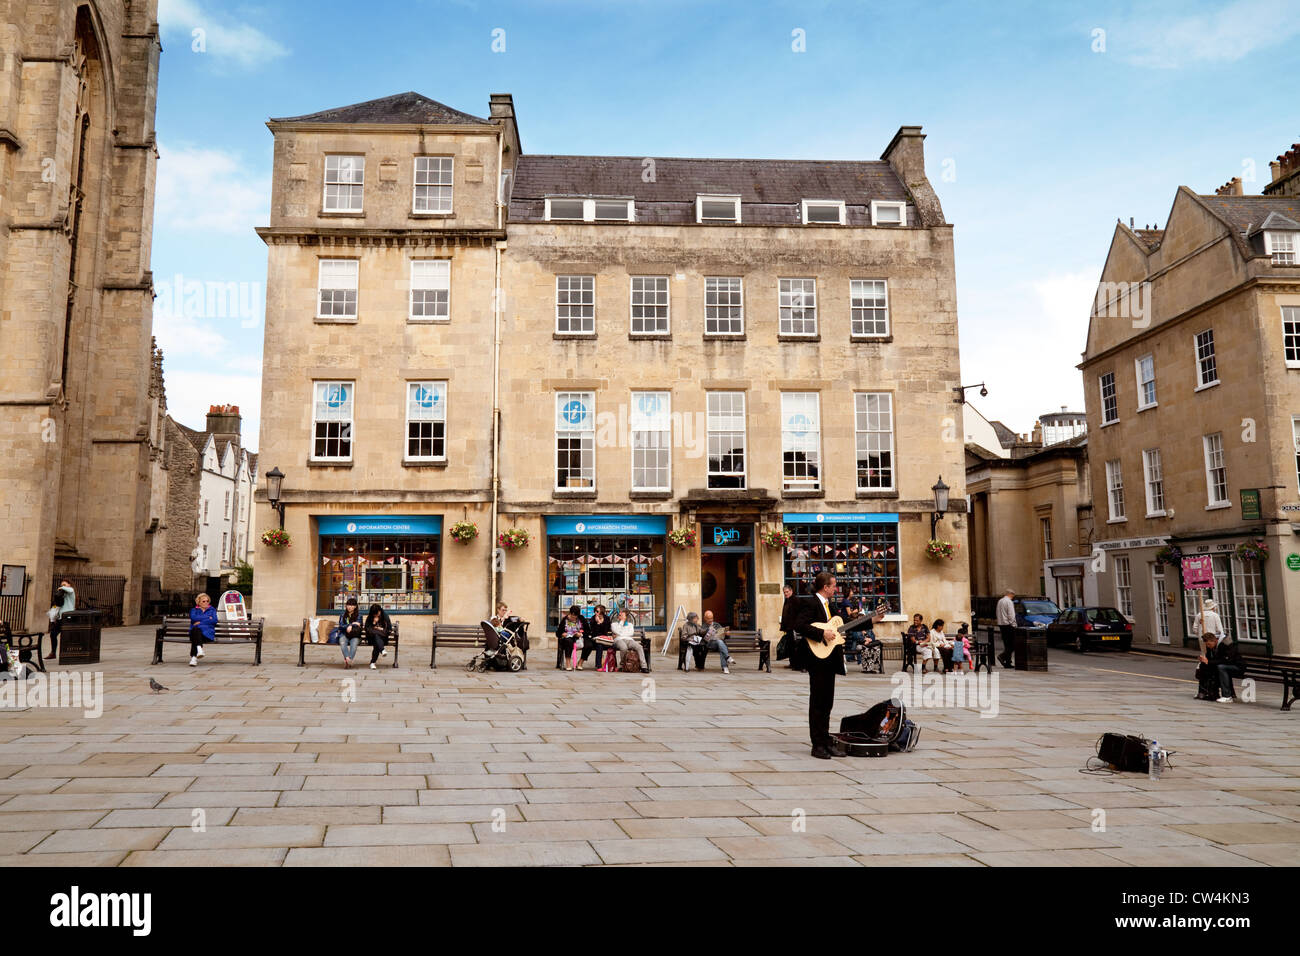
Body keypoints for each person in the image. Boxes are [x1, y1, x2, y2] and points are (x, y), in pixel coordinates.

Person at [792, 571, 845, 759]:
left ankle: (826, 741)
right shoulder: (810, 603)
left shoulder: (830, 606)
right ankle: (817, 745)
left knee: (827, 702)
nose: (836, 588)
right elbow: (799, 625)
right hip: (816, 659)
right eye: (834, 585)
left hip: (830, 659)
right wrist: (821, 634)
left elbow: (844, 625)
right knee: (818, 703)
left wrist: (872, 620)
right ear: (826, 587)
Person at [1196, 632, 1246, 703]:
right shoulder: (1212, 646)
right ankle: (1204, 692)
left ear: (1215, 640)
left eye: (1209, 644)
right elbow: (1211, 659)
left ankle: (1227, 696)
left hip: (1237, 666)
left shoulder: (1227, 644)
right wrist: (1204, 660)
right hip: (1225, 665)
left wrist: (1209, 662)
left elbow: (1227, 659)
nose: (1208, 646)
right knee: (1203, 665)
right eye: (1207, 644)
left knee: (1221, 667)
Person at [47, 579, 75, 659]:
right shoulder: (62, 594)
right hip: (60, 618)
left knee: (66, 636)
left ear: (69, 585)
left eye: (64, 584)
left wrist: (61, 588)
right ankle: (53, 652)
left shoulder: (71, 592)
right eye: (61, 585)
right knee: (53, 634)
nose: (63, 586)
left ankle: (67, 653)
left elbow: (70, 589)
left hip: (68, 617)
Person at [188, 592, 218, 667]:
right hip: (196, 634)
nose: (206, 603)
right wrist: (208, 618)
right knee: (196, 630)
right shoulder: (194, 610)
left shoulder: (212, 610)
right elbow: (193, 618)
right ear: (199, 602)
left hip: (207, 635)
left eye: (207, 601)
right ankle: (199, 649)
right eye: (203, 601)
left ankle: (194, 657)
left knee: (196, 630)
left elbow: (214, 620)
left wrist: (200, 622)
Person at [581, 604, 613, 670]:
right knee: (599, 645)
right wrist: (598, 623)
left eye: (597, 611)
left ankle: (611, 665)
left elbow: (606, 630)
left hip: (604, 639)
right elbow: (594, 632)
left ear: (602, 612)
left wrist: (601, 623)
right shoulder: (593, 619)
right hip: (595, 640)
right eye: (595, 611)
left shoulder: (607, 618)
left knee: (607, 645)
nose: (596, 613)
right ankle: (599, 666)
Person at [778, 585, 803, 671]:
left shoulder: (796, 600)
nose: (785, 594)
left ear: (791, 591)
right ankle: (792, 663)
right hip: (788, 627)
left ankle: (795, 664)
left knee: (794, 646)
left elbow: (798, 614)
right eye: (784, 592)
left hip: (793, 628)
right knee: (790, 646)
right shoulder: (787, 600)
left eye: (787, 592)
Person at [556, 605, 587, 672]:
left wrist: (581, 633)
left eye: (575, 616)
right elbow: (558, 632)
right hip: (568, 638)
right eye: (572, 615)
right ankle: (568, 662)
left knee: (589, 645)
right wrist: (562, 634)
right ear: (570, 613)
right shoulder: (565, 619)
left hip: (579, 638)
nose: (573, 617)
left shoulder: (581, 619)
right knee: (568, 642)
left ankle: (580, 662)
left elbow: (587, 630)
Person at [336, 597, 363, 669]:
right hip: (344, 634)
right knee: (342, 642)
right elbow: (341, 625)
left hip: (355, 635)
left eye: (351, 605)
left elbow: (359, 624)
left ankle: (347, 662)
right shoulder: (343, 615)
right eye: (348, 605)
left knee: (353, 645)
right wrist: (350, 625)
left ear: (355, 606)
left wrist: (350, 625)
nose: (349, 607)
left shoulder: (359, 615)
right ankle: (349, 660)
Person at [363, 603, 392, 669]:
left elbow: (389, 630)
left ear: (380, 611)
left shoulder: (385, 616)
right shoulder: (370, 617)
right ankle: (382, 650)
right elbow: (367, 629)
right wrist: (373, 623)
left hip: (383, 639)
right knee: (376, 637)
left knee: (377, 640)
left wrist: (380, 629)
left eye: (377, 613)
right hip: (371, 638)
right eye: (374, 614)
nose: (376, 615)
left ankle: (373, 662)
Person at [995, 588, 1017, 668]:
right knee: (1013, 644)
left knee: (1007, 644)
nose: (1013, 597)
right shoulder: (1009, 602)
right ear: (1011, 594)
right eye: (1013, 596)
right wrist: (1014, 624)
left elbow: (997, 612)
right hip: (1008, 625)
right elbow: (1011, 615)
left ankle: (1008, 662)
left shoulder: (1000, 601)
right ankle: (1002, 656)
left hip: (1001, 624)